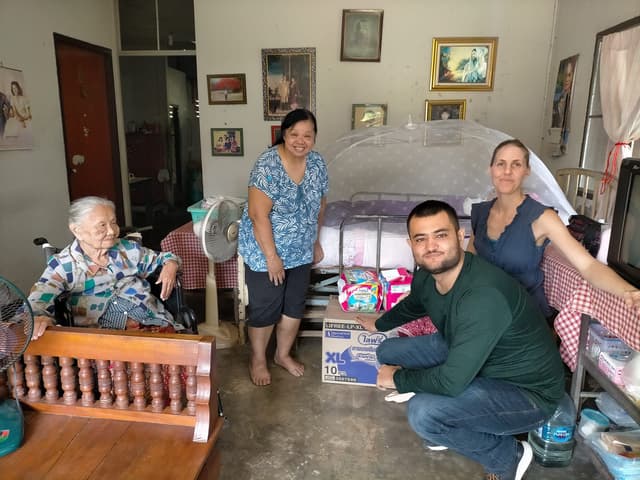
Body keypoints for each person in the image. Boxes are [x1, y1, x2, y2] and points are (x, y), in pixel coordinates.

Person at [357, 200, 565, 480]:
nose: (431, 246)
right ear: (411, 244)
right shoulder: (427, 274)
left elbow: (451, 381)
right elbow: (414, 305)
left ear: (460, 236)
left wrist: (398, 379)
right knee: (387, 351)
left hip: (526, 392)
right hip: (470, 352)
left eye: (440, 235)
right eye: (421, 239)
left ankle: (507, 456)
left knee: (424, 413)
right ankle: (453, 422)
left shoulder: (482, 295)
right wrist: (379, 324)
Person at [468, 139, 640, 319]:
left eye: (516, 164)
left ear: (527, 171)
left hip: (522, 316)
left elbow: (588, 265)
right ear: (491, 169)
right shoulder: (480, 213)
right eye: (500, 164)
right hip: (485, 307)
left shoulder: (543, 218)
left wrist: (629, 292)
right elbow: (469, 265)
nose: (507, 171)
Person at [238, 108, 328, 386]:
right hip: (265, 250)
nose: (301, 141)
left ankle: (282, 355)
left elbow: (320, 204)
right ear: (284, 135)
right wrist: (272, 257)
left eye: (307, 135)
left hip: (300, 249)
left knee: (294, 306)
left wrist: (314, 240)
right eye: (294, 134)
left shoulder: (317, 163)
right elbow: (258, 215)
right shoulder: (268, 165)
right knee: (266, 307)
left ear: (314, 137)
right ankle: (258, 359)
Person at [28, 196, 181, 340]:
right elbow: (38, 299)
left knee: (181, 352)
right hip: (106, 338)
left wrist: (170, 264)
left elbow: (165, 257)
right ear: (77, 230)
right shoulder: (64, 265)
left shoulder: (127, 249)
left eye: (113, 223)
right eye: (102, 225)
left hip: (153, 321)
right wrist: (39, 317)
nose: (112, 231)